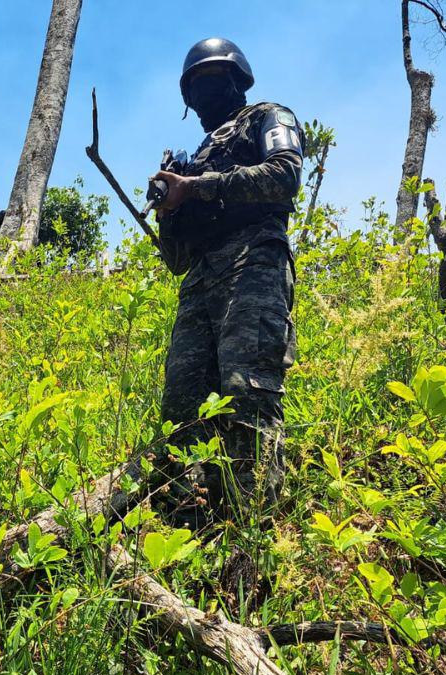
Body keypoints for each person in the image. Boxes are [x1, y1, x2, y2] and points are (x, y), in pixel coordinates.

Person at [148, 37, 303, 527]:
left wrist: (198, 187)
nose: (204, 91)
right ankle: (185, 534)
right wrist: (169, 208)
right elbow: (175, 259)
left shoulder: (267, 116)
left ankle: (253, 537)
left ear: (237, 79)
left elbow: (284, 175)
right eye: (195, 85)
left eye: (213, 78)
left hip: (252, 262)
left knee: (246, 395)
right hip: (197, 283)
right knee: (182, 409)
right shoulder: (195, 155)